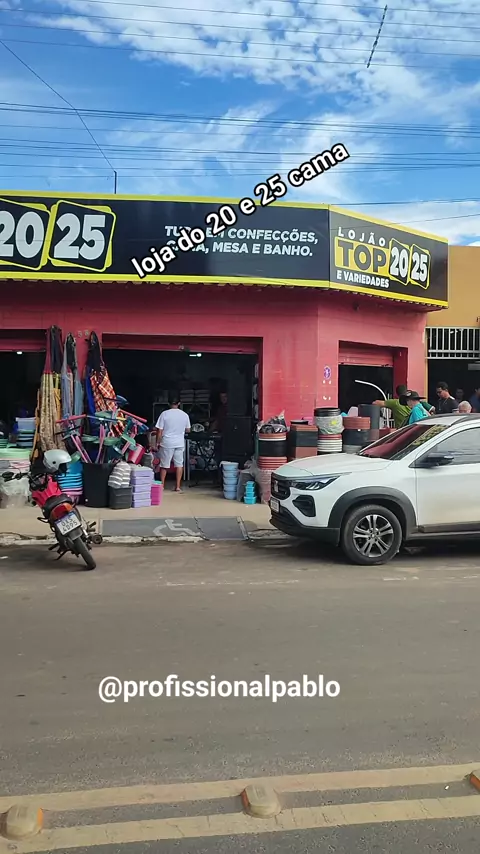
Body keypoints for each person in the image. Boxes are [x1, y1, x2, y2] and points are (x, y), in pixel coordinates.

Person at [155, 394, 191, 493]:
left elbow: (159, 430)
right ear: (179, 403)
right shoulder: (184, 415)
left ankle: (162, 485)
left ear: (169, 403)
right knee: (179, 464)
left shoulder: (164, 414)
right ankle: (178, 486)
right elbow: (188, 429)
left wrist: (158, 442)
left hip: (167, 442)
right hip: (179, 443)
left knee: (164, 465)